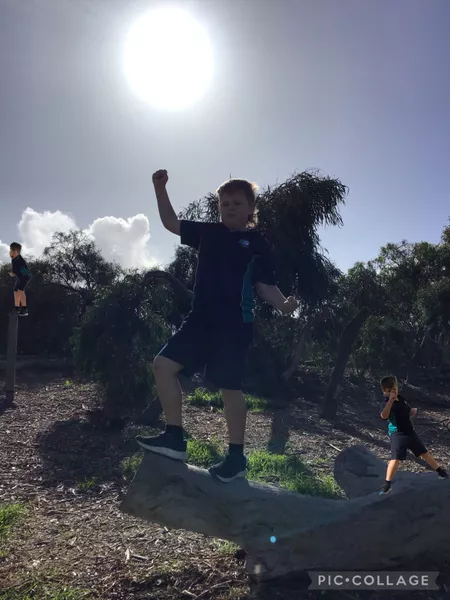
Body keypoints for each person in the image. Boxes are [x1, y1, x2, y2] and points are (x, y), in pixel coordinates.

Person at [136, 169, 298, 482]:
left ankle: (235, 458)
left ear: (251, 208)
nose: (230, 208)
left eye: (237, 203)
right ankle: (174, 438)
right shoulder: (207, 233)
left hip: (234, 324)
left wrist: (283, 304)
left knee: (229, 388)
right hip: (199, 320)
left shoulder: (257, 243)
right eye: (224, 203)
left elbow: (264, 285)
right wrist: (159, 188)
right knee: (162, 365)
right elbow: (170, 223)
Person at [379, 375, 448, 494]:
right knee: (396, 458)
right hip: (397, 433)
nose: (393, 392)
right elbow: (384, 416)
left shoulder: (402, 399)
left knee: (424, 453)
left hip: (410, 431)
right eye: (389, 391)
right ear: (384, 391)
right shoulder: (385, 403)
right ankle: (387, 484)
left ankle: (441, 472)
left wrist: (411, 412)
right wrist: (390, 400)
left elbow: (404, 413)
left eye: (394, 389)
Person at [9, 242, 31, 317]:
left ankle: (25, 309)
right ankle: (17, 308)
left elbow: (24, 272)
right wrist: (13, 273)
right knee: (15, 290)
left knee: (20, 290)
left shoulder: (20, 260)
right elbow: (14, 271)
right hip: (20, 277)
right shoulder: (13, 260)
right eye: (11, 251)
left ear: (18, 252)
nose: (12, 253)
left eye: (14, 252)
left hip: (25, 276)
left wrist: (18, 272)